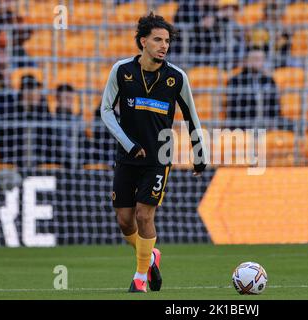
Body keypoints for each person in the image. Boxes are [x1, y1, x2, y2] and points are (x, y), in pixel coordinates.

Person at [100, 13, 207, 293]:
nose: (164, 45)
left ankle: (139, 278)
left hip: (159, 158)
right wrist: (129, 144)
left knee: (144, 216)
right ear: (143, 41)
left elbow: (191, 117)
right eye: (158, 40)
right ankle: (151, 256)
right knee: (125, 221)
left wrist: (199, 153)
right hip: (127, 156)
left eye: (167, 41)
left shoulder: (176, 77)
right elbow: (106, 111)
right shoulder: (121, 71)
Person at [226, 48, 281, 129]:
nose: (258, 62)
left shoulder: (269, 80)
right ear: (246, 61)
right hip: (244, 124)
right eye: (255, 59)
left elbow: (275, 105)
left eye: (261, 59)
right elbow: (233, 108)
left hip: (267, 123)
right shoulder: (235, 80)